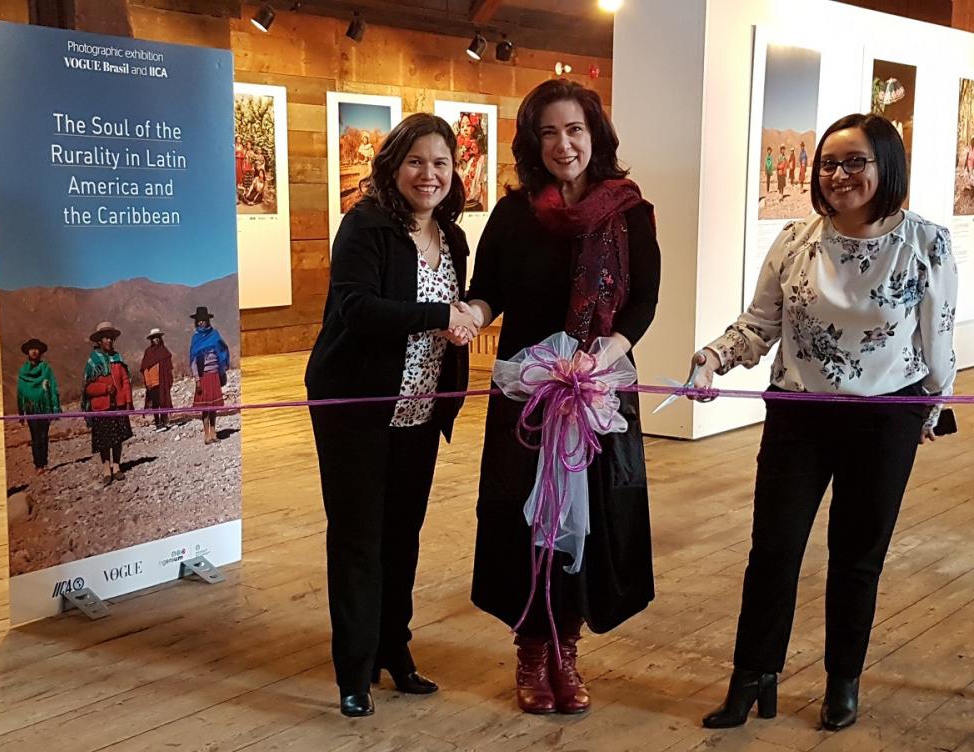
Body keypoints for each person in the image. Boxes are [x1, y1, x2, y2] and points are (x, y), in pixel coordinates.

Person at [690, 113, 957, 732]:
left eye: (855, 162)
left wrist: (932, 410)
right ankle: (753, 675)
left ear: (886, 166)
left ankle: (843, 679)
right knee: (773, 550)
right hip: (798, 415)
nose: (838, 175)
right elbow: (758, 325)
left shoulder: (927, 243)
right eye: (829, 164)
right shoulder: (793, 240)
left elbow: (937, 341)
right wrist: (711, 359)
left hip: (886, 417)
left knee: (858, 555)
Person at [461, 79, 661, 715]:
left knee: (590, 515)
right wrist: (471, 314)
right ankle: (531, 649)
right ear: (532, 141)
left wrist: (602, 355)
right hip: (527, 388)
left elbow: (644, 300)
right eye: (548, 132)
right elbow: (488, 287)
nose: (563, 144)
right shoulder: (515, 213)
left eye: (574, 129)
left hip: (599, 386)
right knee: (526, 515)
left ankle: (567, 649)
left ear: (594, 134)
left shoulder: (629, 212)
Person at [304, 113, 475, 718]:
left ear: (455, 173)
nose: (429, 175)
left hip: (420, 409)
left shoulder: (453, 237)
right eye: (417, 162)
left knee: (403, 535)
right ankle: (353, 670)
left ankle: (393, 652)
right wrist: (438, 316)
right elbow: (356, 308)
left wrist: (457, 327)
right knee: (357, 540)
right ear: (394, 165)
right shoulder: (366, 224)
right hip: (358, 405)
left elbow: (452, 312)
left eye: (441, 164)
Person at [82, 322, 134, 486]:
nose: (109, 341)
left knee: (117, 437)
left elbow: (125, 381)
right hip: (101, 406)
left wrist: (128, 400)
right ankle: (106, 468)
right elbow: (88, 388)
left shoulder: (117, 359)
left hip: (117, 405)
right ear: (99, 341)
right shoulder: (92, 363)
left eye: (111, 338)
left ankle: (117, 466)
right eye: (105, 338)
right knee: (104, 440)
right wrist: (104, 388)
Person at [16, 337, 60, 474]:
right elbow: (21, 391)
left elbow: (52, 386)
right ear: (28, 352)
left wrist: (54, 407)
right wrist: (21, 411)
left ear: (40, 352)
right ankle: (38, 465)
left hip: (44, 408)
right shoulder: (23, 371)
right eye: (31, 349)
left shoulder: (46, 369)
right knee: (35, 436)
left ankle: (44, 462)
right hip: (31, 408)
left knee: (43, 435)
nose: (34, 351)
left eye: (36, 349)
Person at [189, 306, 229, 445]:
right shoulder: (196, 338)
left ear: (207, 321)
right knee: (205, 408)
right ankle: (206, 435)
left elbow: (223, 349)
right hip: (203, 375)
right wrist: (197, 379)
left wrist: (223, 369)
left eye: (203, 320)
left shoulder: (215, 335)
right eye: (199, 321)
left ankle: (213, 432)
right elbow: (193, 360)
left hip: (214, 374)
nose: (201, 323)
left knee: (213, 407)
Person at [141, 327, 174, 431]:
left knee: (163, 401)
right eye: (154, 338)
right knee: (156, 403)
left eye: (158, 337)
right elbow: (145, 368)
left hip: (163, 381)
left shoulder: (164, 350)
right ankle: (158, 423)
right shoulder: (148, 352)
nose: (156, 339)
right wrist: (148, 381)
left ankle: (164, 420)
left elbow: (169, 367)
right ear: (151, 339)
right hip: (153, 382)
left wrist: (169, 379)